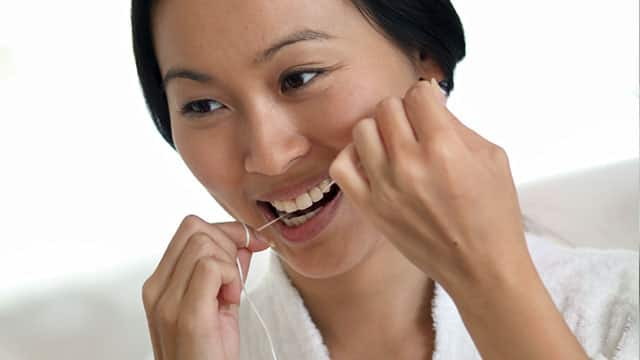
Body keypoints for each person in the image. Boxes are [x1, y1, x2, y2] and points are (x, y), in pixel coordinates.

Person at [131, 0, 638, 359]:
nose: (267, 156)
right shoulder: (206, 351)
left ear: (425, 61)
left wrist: (491, 284)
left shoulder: (619, 312)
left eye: (300, 78)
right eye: (203, 105)